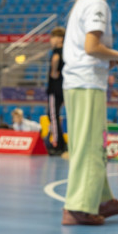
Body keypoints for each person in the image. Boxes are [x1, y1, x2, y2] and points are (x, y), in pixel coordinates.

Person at [61, 0, 118, 226]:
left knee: (93, 144)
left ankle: (101, 199)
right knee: (90, 147)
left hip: (82, 81)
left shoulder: (84, 0)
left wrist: (108, 62)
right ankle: (78, 206)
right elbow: (92, 47)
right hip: (86, 83)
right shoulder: (97, 4)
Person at [46, 26, 66, 155]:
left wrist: (53, 72)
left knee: (52, 115)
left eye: (53, 37)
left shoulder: (57, 51)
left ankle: (58, 144)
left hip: (56, 87)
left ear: (59, 39)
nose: (51, 40)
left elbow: (55, 60)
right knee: (55, 115)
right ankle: (61, 142)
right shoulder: (67, 51)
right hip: (64, 87)